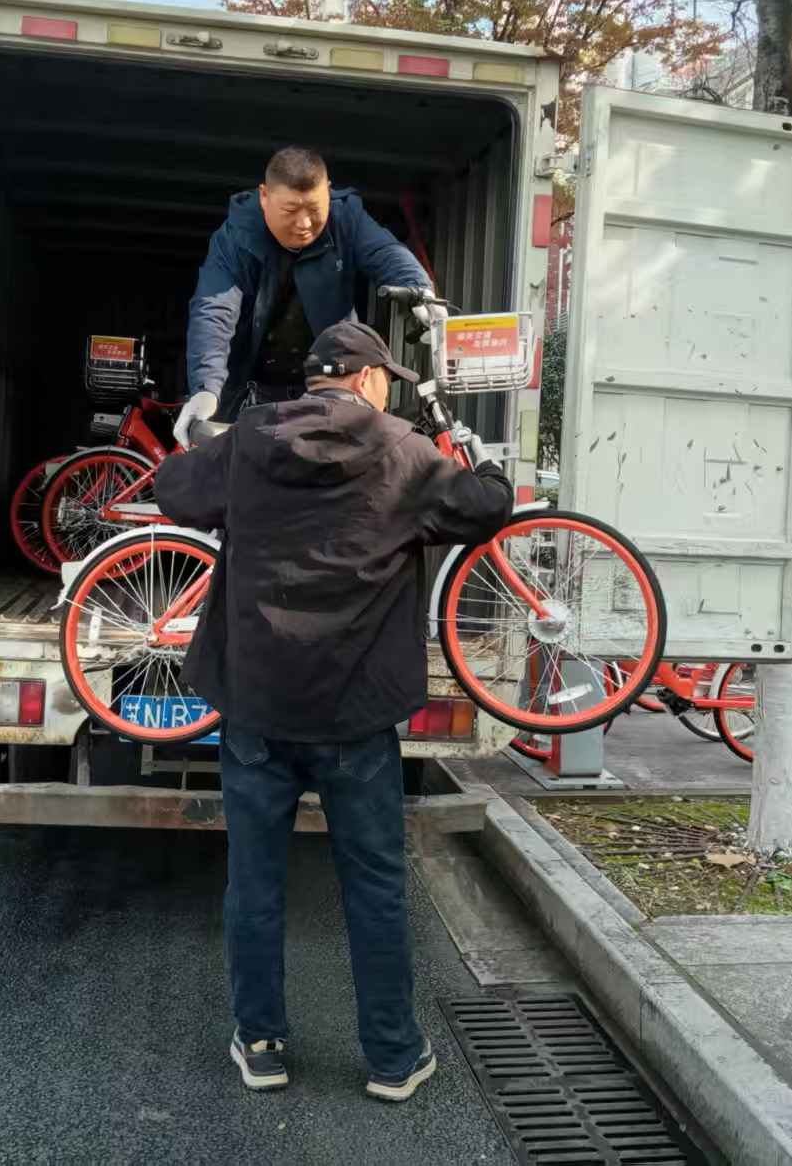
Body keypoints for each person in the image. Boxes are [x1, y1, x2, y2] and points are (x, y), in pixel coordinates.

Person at [154, 321, 513, 1102]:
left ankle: (261, 1043)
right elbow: (488, 506)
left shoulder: (249, 439)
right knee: (375, 886)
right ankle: (392, 1056)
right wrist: (480, 457)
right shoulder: (403, 450)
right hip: (356, 715)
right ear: (369, 379)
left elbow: (173, 489)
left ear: (319, 378)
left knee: (254, 883)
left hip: (257, 706)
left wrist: (198, 438)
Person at [174, 146, 432, 441]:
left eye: (314, 209)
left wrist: (420, 290)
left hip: (330, 381)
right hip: (254, 384)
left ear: (328, 192)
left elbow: (386, 252)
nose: (304, 224)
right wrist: (206, 389)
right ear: (264, 196)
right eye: (290, 211)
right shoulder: (236, 237)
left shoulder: (346, 217)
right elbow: (214, 309)